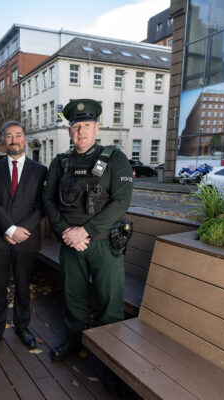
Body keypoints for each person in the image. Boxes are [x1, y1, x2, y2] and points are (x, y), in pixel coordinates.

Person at [43, 99, 133, 361]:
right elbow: (48, 200)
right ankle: (73, 342)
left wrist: (86, 231)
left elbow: (121, 201)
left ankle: (111, 360)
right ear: (70, 130)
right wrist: (66, 232)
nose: (80, 132)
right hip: (71, 244)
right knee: (74, 300)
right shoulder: (60, 163)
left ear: (97, 128)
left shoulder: (115, 159)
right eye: (76, 126)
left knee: (110, 305)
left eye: (86, 125)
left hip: (105, 246)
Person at [0, 121, 47, 356]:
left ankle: (22, 328)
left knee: (23, 288)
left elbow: (41, 206)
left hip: (27, 239)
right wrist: (10, 229)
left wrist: (21, 231)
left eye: (18, 135)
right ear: (3, 141)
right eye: (8, 136)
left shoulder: (40, 171)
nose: (13, 140)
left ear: (25, 139)